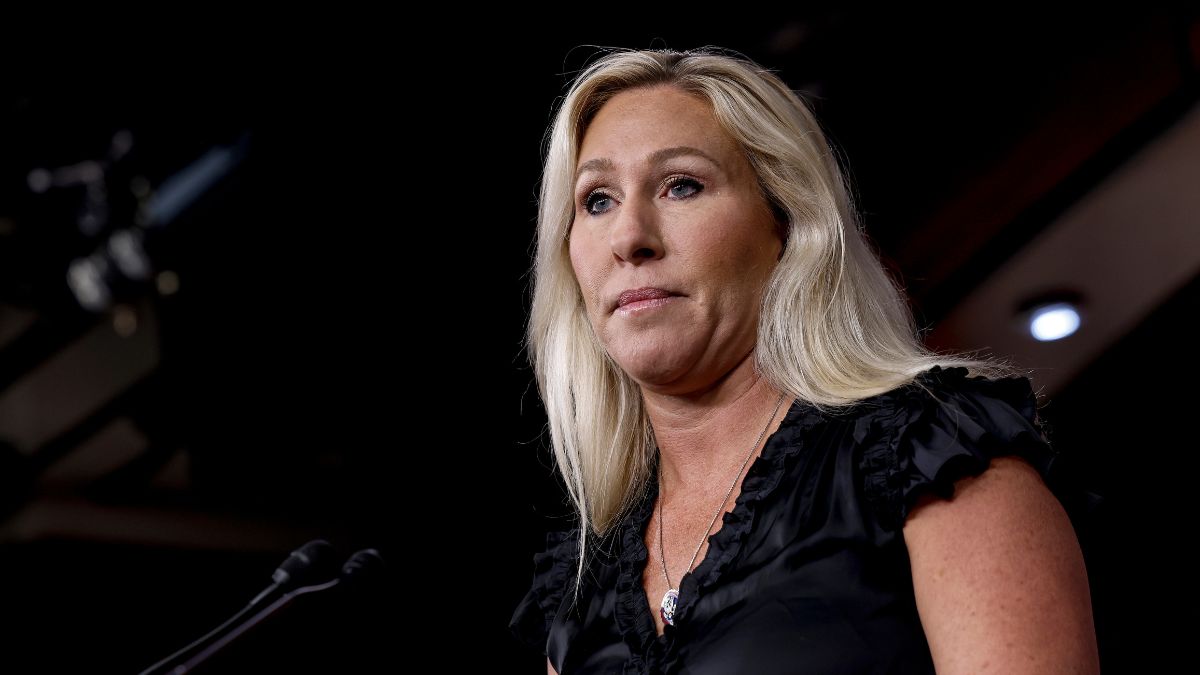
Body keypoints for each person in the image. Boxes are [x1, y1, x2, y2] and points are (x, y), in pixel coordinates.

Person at [509, 46, 1099, 675]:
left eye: (682, 186)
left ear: (786, 223)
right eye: (597, 200)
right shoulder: (579, 587)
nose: (629, 237)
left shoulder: (935, 453)